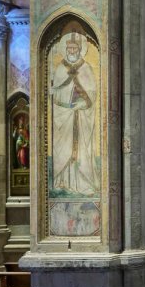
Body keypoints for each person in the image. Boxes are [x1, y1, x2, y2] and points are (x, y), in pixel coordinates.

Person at [51, 32, 98, 197]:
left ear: (80, 49)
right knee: (64, 149)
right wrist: (64, 107)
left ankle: (82, 183)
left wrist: (84, 103)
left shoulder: (86, 68)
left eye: (75, 47)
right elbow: (55, 95)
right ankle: (62, 181)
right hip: (63, 116)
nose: (72, 50)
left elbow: (92, 92)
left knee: (80, 150)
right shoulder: (60, 69)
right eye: (69, 47)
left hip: (80, 116)